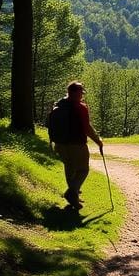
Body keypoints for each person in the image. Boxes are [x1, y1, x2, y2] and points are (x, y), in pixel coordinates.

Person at [52, 81, 104, 209]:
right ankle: (71, 193)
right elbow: (87, 128)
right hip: (77, 144)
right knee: (83, 170)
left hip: (60, 144)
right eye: (81, 92)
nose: (82, 95)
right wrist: (98, 141)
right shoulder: (80, 107)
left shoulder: (59, 104)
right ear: (74, 93)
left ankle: (74, 198)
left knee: (70, 169)